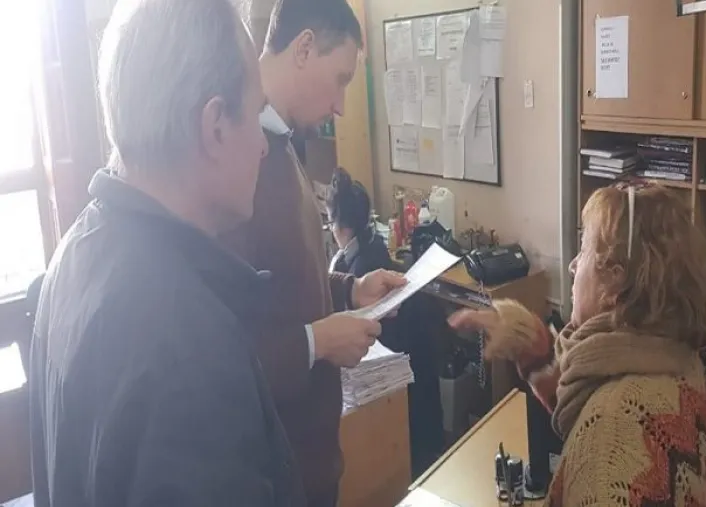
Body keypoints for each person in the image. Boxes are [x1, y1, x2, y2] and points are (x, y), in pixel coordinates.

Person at [29, 0, 302, 505]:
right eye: (255, 114)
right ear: (215, 125)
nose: (264, 146)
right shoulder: (190, 345)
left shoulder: (73, 253)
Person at [219, 1, 405, 505]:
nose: (341, 105)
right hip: (277, 469)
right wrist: (317, 342)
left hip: (312, 460)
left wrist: (350, 290)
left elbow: (281, 281)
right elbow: (223, 342)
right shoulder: (242, 159)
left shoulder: (283, 144)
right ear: (303, 48)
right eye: (340, 79)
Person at [450, 182, 706, 506]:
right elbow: (590, 400)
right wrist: (530, 344)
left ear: (613, 282)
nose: (572, 266)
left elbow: (610, 426)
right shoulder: (677, 361)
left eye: (583, 249)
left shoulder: (609, 446)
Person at [326, 168, 445, 475]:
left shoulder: (361, 266)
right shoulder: (370, 249)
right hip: (414, 382)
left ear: (338, 225)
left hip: (396, 386)